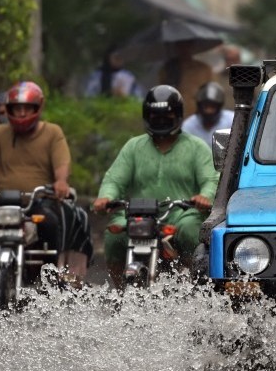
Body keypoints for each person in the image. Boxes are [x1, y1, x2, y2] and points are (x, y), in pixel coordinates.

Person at [0, 81, 91, 298]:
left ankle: (47, 277)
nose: (21, 113)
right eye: (16, 109)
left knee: (50, 224)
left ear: (37, 108)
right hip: (2, 201)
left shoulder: (53, 133)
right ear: (8, 110)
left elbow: (62, 164)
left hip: (38, 200)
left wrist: (61, 182)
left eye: (26, 108)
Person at [91, 85, 219, 287]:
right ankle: (119, 291)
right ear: (146, 116)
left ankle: (198, 285)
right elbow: (114, 179)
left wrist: (205, 196)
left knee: (189, 230)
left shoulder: (196, 147)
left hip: (180, 213)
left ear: (177, 116)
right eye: (154, 116)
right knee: (113, 236)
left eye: (166, 116)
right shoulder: (134, 146)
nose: (160, 121)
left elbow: (211, 179)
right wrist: (105, 197)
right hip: (139, 214)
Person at [159, 41, 214, 117]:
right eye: (180, 46)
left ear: (192, 47)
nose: (184, 49)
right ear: (176, 47)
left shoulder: (204, 69)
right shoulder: (168, 69)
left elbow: (212, 92)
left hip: (199, 115)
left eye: (187, 46)